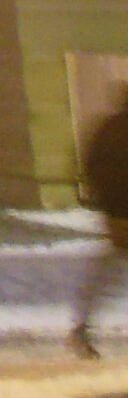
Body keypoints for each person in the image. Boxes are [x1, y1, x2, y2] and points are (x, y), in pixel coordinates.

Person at [71, 90, 128, 357]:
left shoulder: (108, 128)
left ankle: (82, 326)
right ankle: (82, 328)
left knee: (106, 273)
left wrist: (107, 208)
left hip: (115, 211)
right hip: (121, 210)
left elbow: (92, 167)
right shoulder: (118, 131)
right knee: (108, 273)